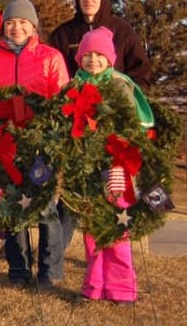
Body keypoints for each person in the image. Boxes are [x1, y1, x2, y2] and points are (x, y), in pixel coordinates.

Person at [0, 0, 74, 289]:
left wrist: (39, 118)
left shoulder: (50, 57)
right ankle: (18, 269)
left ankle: (50, 271)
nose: (16, 28)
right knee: (12, 205)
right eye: (11, 22)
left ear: (33, 26)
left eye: (22, 23)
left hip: (40, 144)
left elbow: (63, 99)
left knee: (44, 207)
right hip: (5, 144)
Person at [72, 27, 153, 304]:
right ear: (80, 58)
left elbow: (130, 125)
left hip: (115, 166)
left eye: (99, 55)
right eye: (87, 55)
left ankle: (121, 287)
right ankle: (93, 286)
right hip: (87, 167)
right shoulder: (75, 85)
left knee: (118, 226)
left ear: (110, 59)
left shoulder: (119, 84)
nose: (93, 60)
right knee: (93, 228)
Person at [49, 0, 152, 89]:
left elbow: (141, 69)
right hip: (75, 102)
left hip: (116, 101)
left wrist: (130, 97)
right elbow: (54, 73)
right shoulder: (62, 34)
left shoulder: (122, 30)